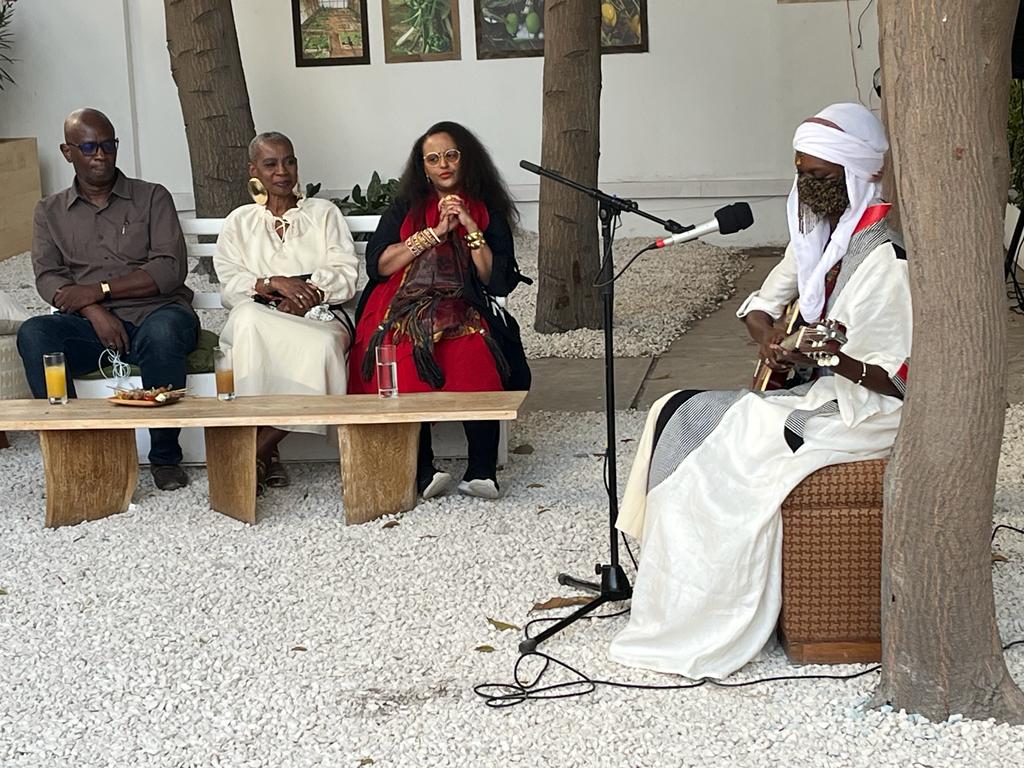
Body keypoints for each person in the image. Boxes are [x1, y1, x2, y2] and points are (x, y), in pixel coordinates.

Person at [608, 103, 912, 680]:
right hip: (821, 397)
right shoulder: (821, 240)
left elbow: (895, 381)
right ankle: (671, 579)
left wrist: (830, 357)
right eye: (800, 173)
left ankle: (709, 605)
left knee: (721, 447)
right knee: (674, 410)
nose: (808, 188)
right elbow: (761, 306)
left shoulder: (884, 262)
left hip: (860, 414)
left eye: (820, 177)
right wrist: (774, 339)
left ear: (856, 176)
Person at [17, 108, 198, 491]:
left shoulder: (152, 197)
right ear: (68, 152)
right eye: (89, 146)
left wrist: (100, 291)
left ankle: (165, 456)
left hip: (158, 313)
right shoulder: (49, 211)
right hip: (90, 327)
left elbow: (169, 269)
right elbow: (48, 277)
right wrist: (92, 309)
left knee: (164, 333)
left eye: (108, 145)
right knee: (35, 334)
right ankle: (75, 452)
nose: (101, 154)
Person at [348, 121, 530, 500]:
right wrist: (434, 232)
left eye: (451, 155)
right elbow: (380, 265)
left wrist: (467, 225)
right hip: (400, 304)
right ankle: (422, 469)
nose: (443, 164)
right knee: (402, 351)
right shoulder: (404, 208)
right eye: (433, 158)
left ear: (466, 159)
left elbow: (495, 280)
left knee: (475, 350)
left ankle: (482, 469)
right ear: (423, 167)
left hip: (462, 303)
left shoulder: (485, 208)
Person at [214, 132, 359, 491]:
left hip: (319, 315)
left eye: (289, 161)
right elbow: (230, 284)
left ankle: (259, 449)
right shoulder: (239, 221)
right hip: (260, 315)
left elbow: (346, 271)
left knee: (323, 348)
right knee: (247, 319)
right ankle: (265, 453)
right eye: (271, 164)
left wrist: (308, 294)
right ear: (254, 171)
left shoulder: (323, 213)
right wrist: (272, 283)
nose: (282, 171)